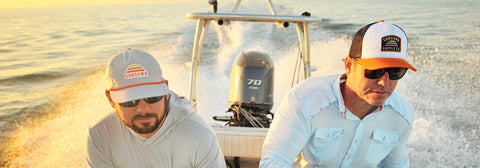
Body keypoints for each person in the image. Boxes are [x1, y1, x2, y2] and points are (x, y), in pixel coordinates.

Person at [260, 20, 416, 167]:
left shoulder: (401, 115)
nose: (384, 82)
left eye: (396, 71)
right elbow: (273, 161)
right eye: (375, 71)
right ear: (349, 66)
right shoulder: (305, 100)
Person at [86, 48, 226, 168]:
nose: (143, 109)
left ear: (165, 91)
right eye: (130, 101)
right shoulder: (100, 136)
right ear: (110, 99)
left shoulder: (199, 135)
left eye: (152, 98)